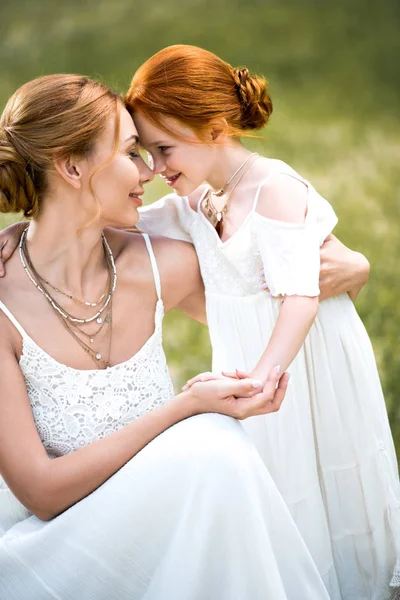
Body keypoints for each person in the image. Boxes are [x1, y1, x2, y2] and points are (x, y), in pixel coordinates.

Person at [0, 74, 332, 599]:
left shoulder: (162, 266)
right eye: (132, 153)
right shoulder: (2, 301)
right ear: (70, 165)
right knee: (211, 444)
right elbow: (40, 492)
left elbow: (283, 284)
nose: (149, 172)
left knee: (214, 454)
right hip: (51, 548)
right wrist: (185, 410)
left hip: (164, 523)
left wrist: (356, 266)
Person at [121, 45, 399, 600]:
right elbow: (116, 224)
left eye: (164, 148)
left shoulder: (273, 189)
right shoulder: (198, 202)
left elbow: (300, 299)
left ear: (216, 126)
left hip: (302, 366)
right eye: (147, 152)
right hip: (260, 373)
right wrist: (22, 234)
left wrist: (260, 377)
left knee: (327, 479)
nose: (154, 169)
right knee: (277, 489)